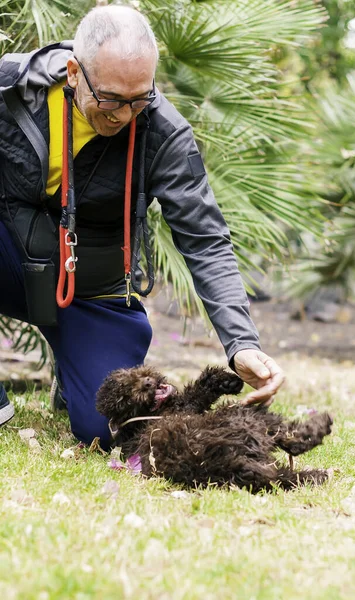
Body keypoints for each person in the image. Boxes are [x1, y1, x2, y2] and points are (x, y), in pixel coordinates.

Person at [0, 5, 284, 444]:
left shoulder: (165, 133)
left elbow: (205, 240)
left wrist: (241, 343)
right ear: (74, 72)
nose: (123, 115)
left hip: (91, 286)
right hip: (11, 258)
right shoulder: (12, 89)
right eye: (111, 99)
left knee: (107, 427)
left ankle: (74, 375)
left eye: (140, 99)